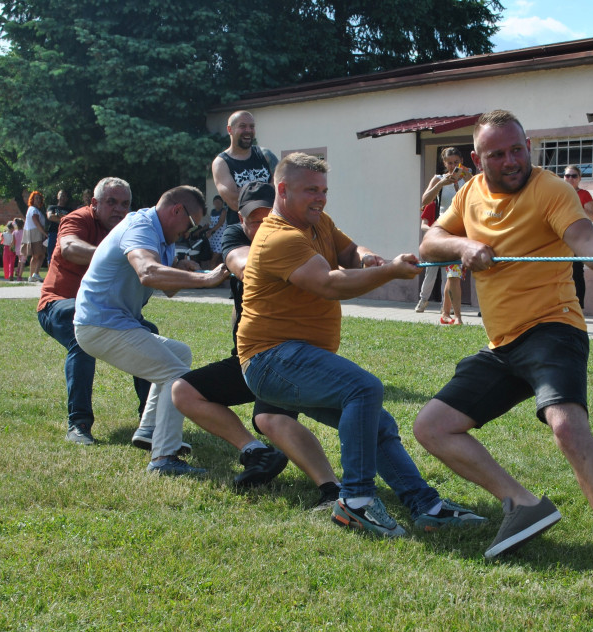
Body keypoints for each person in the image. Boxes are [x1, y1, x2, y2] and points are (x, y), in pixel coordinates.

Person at [413, 110, 593, 588]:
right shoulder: (468, 193)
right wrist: (462, 248)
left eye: (518, 149)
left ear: (528, 146)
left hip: (553, 328)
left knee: (567, 427)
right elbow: (429, 240)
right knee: (432, 428)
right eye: (497, 154)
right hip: (501, 344)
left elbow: (585, 237)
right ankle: (523, 503)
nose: (511, 160)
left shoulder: (551, 190)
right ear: (478, 160)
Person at [238, 153, 485, 536]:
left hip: (298, 357)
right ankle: (355, 502)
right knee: (363, 388)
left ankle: (426, 505)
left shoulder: (317, 223)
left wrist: (368, 257)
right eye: (310, 190)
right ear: (282, 190)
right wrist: (389, 272)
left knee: (377, 423)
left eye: (324, 190)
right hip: (269, 360)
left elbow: (348, 252)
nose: (320, 198)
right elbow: (330, 283)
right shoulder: (278, 237)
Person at [172, 182, 341, 501]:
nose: (262, 226)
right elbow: (242, 264)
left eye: (270, 218)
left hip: (291, 356)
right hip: (254, 356)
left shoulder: (301, 238)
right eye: (254, 219)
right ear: (241, 217)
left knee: (270, 418)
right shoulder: (237, 235)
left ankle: (332, 488)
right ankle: (256, 453)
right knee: (184, 391)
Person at [74, 186, 229, 475]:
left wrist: (184, 270)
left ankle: (149, 430)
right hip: (99, 324)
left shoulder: (163, 237)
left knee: (179, 354)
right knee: (178, 375)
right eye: (191, 224)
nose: (189, 232)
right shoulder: (141, 225)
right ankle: (164, 459)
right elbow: (148, 273)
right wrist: (206, 279)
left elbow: (166, 288)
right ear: (176, 211)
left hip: (112, 323)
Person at [37, 177, 157, 445]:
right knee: (81, 339)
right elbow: (69, 248)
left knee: (150, 335)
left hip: (107, 311)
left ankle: (150, 422)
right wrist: (110, 256)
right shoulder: (77, 219)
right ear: (94, 203)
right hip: (58, 304)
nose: (118, 209)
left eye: (125, 203)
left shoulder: (129, 228)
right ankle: (78, 424)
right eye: (111, 202)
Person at [212, 110, 278, 300]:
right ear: (230, 130)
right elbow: (233, 201)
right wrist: (267, 193)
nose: (248, 130)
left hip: (272, 230)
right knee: (243, 292)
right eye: (243, 126)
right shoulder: (222, 162)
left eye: (251, 126)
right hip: (242, 233)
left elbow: (282, 189)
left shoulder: (265, 156)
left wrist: (248, 194)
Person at [416, 147, 474, 315]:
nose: (453, 166)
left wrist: (464, 178)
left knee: (452, 272)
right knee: (434, 268)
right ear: (444, 163)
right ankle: (424, 300)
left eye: (456, 163)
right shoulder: (438, 178)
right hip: (443, 227)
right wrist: (441, 184)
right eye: (449, 163)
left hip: (460, 228)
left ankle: (446, 308)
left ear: (461, 162)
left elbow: (473, 197)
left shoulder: (467, 176)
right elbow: (425, 200)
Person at [563, 165, 593, 309]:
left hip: (578, 238)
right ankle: (562, 307)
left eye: (574, 176)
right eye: (567, 175)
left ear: (579, 178)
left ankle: (578, 308)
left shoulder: (584, 194)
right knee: (560, 273)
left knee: (577, 272)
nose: (570, 178)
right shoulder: (559, 193)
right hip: (561, 237)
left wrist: (578, 206)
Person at [22, 191, 48, 282]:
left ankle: (31, 276)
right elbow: (37, 223)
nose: (38, 200)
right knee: (41, 255)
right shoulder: (33, 210)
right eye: (36, 198)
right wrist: (45, 233)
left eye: (39, 198)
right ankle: (35, 274)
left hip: (34, 233)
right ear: (32, 199)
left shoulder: (33, 209)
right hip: (36, 234)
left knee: (35, 256)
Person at [45, 189, 72, 266]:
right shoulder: (52, 207)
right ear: (57, 196)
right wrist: (64, 218)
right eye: (61, 195)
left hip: (65, 234)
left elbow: (70, 220)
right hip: (53, 233)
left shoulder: (70, 210)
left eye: (64, 196)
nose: (62, 197)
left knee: (63, 253)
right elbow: (50, 216)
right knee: (51, 254)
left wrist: (57, 216)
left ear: (67, 198)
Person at [205, 195, 228, 268]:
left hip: (220, 237)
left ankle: (212, 276)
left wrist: (211, 231)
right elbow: (210, 223)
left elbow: (220, 223)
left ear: (222, 203)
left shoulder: (223, 211)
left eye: (219, 202)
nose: (217, 204)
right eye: (215, 202)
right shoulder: (212, 211)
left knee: (214, 259)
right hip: (213, 237)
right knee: (217, 259)